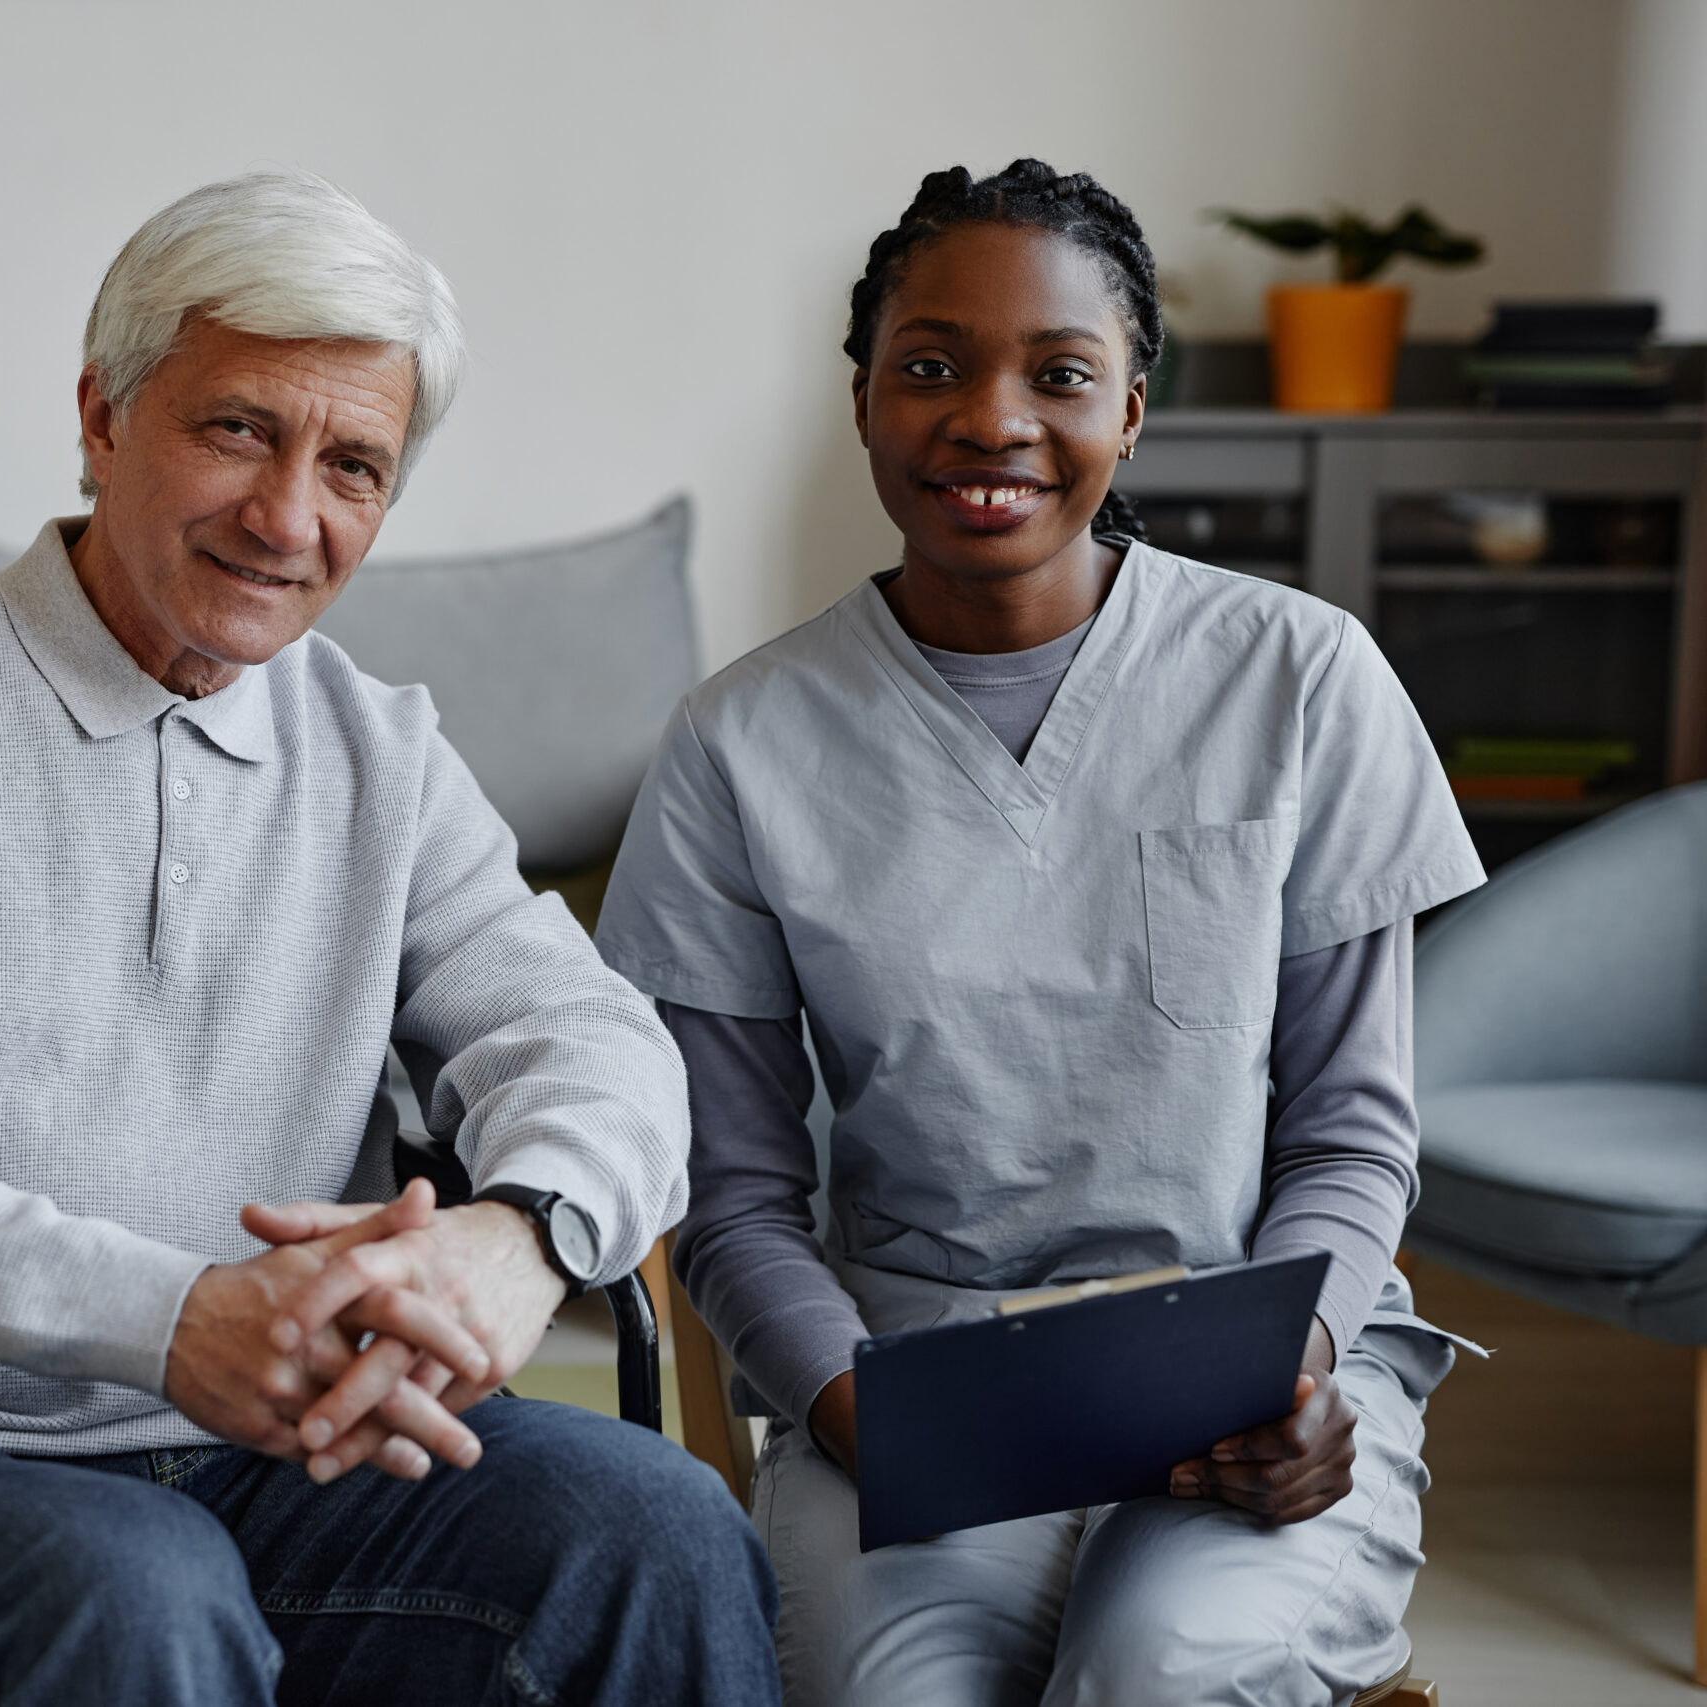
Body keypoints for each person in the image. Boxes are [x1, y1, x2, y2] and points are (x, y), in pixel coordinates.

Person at [0, 170, 779, 1706]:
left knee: (656, 1524)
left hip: (291, 1447)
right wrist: (167, 1318)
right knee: (144, 1596)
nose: (287, 516)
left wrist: (513, 1241)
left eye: (355, 466)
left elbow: (592, 1042)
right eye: (238, 428)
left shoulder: (379, 749)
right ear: (104, 418)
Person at [594, 159, 1484, 1707]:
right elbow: (733, 1202)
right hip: (915, 1390)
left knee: (1157, 1672)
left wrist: (1307, 1362)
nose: (990, 420)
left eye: (1060, 375)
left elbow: (1352, 1131)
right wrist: (861, 1412)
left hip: (1247, 1368)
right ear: (863, 398)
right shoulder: (740, 744)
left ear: (1132, 409)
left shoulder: (1302, 680)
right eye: (929, 366)